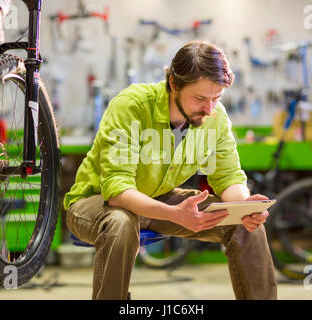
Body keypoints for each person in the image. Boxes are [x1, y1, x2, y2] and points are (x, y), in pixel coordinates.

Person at [64, 40, 277, 300]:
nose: (209, 109)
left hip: (158, 199)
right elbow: (117, 190)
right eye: (200, 98)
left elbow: (228, 177)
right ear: (174, 83)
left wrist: (244, 206)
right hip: (97, 202)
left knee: (246, 226)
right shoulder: (132, 106)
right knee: (121, 221)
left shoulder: (216, 117)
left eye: (216, 98)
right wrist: (174, 214)